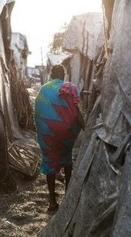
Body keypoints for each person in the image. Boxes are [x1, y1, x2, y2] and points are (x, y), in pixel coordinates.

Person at [34, 64, 85, 211]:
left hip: (48, 133)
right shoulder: (70, 87)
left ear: (50, 75)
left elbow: (38, 113)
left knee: (50, 162)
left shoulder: (43, 90)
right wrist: (85, 128)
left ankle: (52, 200)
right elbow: (76, 112)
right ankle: (67, 194)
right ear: (63, 75)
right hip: (66, 133)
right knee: (67, 160)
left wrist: (43, 132)